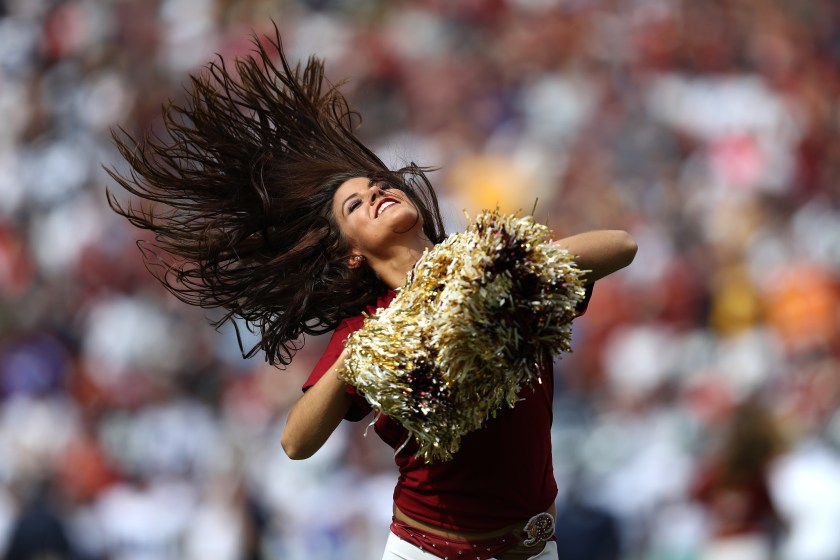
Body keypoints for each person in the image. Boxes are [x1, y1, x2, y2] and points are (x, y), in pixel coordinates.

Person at [107, 27, 637, 560]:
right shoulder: (371, 327)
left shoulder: (499, 271)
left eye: (379, 185)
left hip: (534, 548)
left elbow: (621, 246)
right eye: (355, 205)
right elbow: (296, 442)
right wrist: (365, 353)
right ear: (351, 253)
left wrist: (506, 269)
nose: (377, 192)